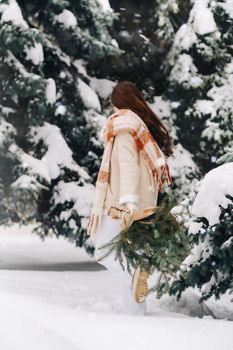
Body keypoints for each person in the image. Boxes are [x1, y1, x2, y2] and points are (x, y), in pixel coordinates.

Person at [87, 81, 175, 315]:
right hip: (139, 204)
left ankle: (136, 276)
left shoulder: (124, 126)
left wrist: (128, 203)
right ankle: (135, 316)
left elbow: (128, 167)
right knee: (128, 259)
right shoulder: (140, 126)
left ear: (117, 102)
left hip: (121, 205)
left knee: (104, 252)